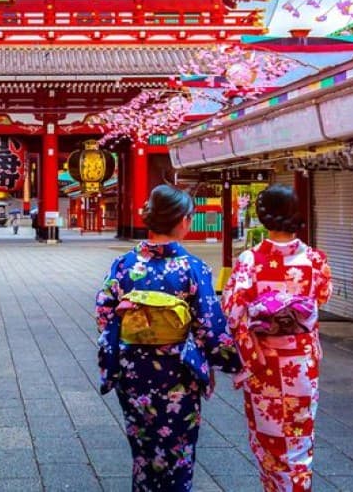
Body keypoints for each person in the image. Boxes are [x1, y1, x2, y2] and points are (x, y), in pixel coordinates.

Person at [95, 184, 240, 491]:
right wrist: (232, 362)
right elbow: (209, 325)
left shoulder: (125, 265)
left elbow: (104, 313)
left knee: (144, 450)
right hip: (177, 374)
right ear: (184, 220)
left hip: (133, 370)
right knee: (178, 452)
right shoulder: (193, 268)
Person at [222, 184, 332, 492]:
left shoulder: (250, 260)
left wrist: (247, 347)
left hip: (264, 362)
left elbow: (233, 311)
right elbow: (321, 297)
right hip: (301, 362)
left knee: (269, 440)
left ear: (262, 216)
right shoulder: (314, 260)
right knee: (299, 440)